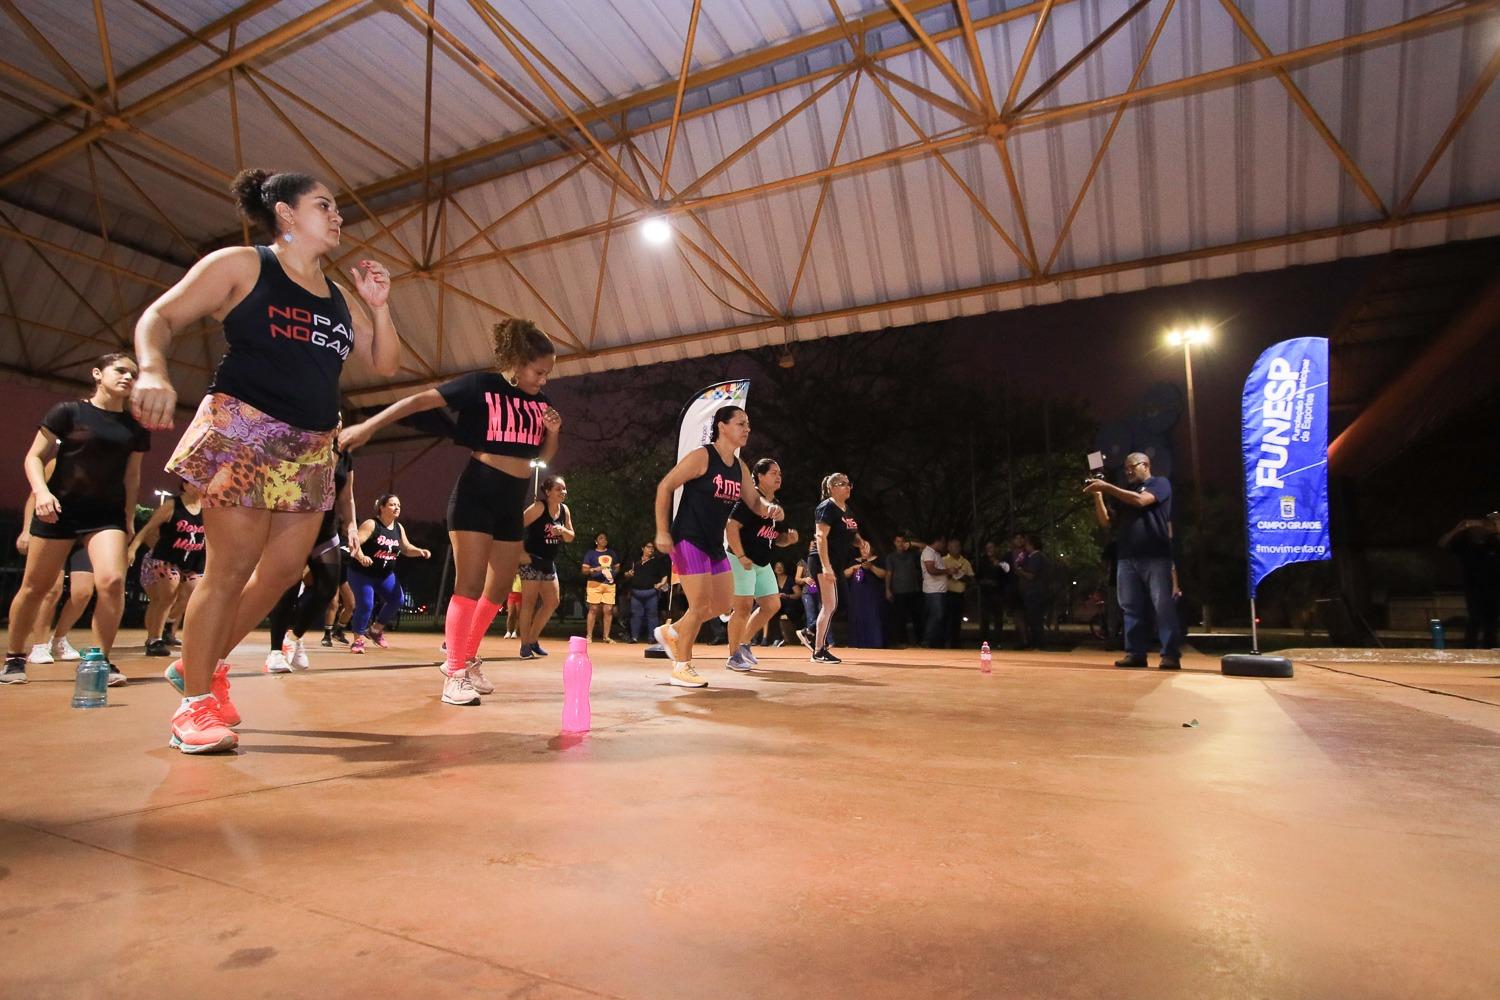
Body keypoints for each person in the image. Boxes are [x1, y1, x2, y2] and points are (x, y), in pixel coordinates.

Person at [132, 167, 400, 752]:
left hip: (309, 445)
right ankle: (194, 705)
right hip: (244, 428)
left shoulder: (336, 297)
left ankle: (199, 664)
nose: (337, 216)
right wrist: (152, 369)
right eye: (324, 206)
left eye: (337, 209)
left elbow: (384, 366)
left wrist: (379, 308)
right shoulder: (244, 265)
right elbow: (161, 316)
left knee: (280, 572)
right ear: (285, 213)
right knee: (230, 567)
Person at [340, 319, 562, 705]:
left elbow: (539, 457)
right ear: (517, 361)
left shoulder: (539, 404)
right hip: (477, 493)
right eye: (539, 371)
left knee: (497, 589)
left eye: (547, 374)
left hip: (513, 499)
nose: (543, 380)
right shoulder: (481, 385)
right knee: (470, 586)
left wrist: (554, 432)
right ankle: (455, 672)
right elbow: (419, 400)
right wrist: (370, 426)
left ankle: (467, 657)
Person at [4, 354, 149, 688]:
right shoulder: (68, 412)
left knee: (111, 582)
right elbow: (34, 457)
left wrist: (128, 519)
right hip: (59, 511)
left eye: (133, 374)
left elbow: (132, 477)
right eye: (120, 370)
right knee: (35, 587)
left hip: (106, 515)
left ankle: (101, 660)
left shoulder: (134, 428)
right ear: (97, 374)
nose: (128, 377)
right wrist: (41, 493)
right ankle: (14, 657)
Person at [653, 405, 782, 687]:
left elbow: (754, 503)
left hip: (713, 543)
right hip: (688, 538)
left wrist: (770, 509)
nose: (747, 428)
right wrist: (662, 531)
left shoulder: (740, 467)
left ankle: (672, 631)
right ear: (722, 426)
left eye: (748, 424)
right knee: (699, 605)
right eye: (741, 423)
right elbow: (665, 486)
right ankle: (682, 665)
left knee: (724, 603)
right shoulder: (703, 457)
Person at [265, 442, 357, 672]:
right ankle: (276, 651)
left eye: (339, 420)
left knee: (327, 587)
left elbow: (347, 497)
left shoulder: (345, 456)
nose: (336, 424)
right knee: (289, 587)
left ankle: (294, 637)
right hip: (292, 524)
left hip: (325, 529)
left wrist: (352, 526)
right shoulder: (301, 444)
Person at [1085, 452, 1182, 669]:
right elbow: (1105, 522)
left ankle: (1170, 655)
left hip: (1155, 555)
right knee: (1130, 607)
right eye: (1125, 468)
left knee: (1162, 606)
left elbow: (1141, 501)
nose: (1127, 471)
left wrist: (1108, 487)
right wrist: (1098, 494)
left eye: (1132, 466)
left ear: (1146, 465)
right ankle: (1135, 653)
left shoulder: (1160, 483)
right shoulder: (1125, 494)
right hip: (1127, 557)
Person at [724, 458, 800, 671]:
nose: (778, 477)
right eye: (773, 473)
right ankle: (733, 656)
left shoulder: (776, 506)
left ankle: (744, 643)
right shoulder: (749, 499)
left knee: (772, 605)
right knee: (743, 607)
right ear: (759, 475)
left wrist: (789, 540)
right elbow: (731, 527)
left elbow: (777, 538)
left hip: (762, 562)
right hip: (742, 559)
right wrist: (740, 556)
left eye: (780, 473)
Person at [127, 482, 206, 657]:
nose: (198, 486)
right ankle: (154, 640)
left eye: (201, 482)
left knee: (193, 595)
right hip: (166, 557)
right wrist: (132, 548)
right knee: (166, 595)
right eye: (192, 482)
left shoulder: (208, 507)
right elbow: (148, 528)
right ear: (184, 485)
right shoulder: (172, 505)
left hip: (192, 560)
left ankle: (167, 624)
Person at [345, 494, 429, 653]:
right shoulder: (372, 524)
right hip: (362, 573)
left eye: (398, 505)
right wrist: (361, 557)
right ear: (381, 507)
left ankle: (375, 631)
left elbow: (405, 548)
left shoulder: (398, 527)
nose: (397, 507)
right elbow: (356, 543)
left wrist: (419, 551)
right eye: (392, 504)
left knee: (397, 599)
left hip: (384, 574)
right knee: (366, 604)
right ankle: (358, 640)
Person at [518, 474, 574, 658]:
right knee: (529, 603)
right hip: (531, 559)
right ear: (548, 491)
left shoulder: (564, 510)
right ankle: (525, 644)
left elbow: (570, 537)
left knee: (552, 602)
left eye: (564, 489)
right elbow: (516, 525)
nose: (563, 492)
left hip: (548, 562)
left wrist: (563, 530)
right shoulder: (538, 507)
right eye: (558, 489)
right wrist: (520, 552)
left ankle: (533, 639)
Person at [811, 472, 864, 665]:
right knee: (830, 605)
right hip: (823, 560)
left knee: (838, 604)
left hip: (836, 562)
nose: (847, 487)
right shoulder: (827, 507)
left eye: (849, 483)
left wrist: (861, 542)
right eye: (842, 484)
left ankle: (811, 631)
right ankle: (818, 650)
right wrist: (826, 566)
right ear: (832, 488)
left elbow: (852, 533)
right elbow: (820, 537)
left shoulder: (847, 509)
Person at [1439, 513, 1500, 648]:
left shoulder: (1493, 542)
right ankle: (1469, 647)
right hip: (1473, 587)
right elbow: (1443, 543)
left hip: (1494, 587)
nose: (1479, 530)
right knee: (1475, 618)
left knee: (1492, 621)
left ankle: (1490, 648)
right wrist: (1458, 529)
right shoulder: (1465, 544)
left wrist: (1496, 528)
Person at [844, 537, 888, 648]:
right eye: (861, 547)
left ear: (872, 548)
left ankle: (875, 643)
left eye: (866, 547)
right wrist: (853, 569)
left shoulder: (878, 560)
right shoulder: (854, 560)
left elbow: (884, 574)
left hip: (872, 595)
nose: (864, 550)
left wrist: (871, 567)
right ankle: (856, 643)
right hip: (856, 596)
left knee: (873, 617)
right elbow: (844, 574)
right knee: (857, 617)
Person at [1012, 533, 1051, 650]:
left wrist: (1020, 571)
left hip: (1035, 593)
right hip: (1039, 592)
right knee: (1036, 620)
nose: (1025, 546)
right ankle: (1038, 644)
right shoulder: (1040, 557)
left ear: (1032, 545)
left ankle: (1039, 645)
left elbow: (1031, 576)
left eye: (1027, 544)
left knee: (1035, 620)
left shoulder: (1035, 557)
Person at [624, 542, 669, 642]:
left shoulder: (657, 561)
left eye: (653, 548)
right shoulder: (635, 562)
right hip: (636, 593)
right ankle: (634, 637)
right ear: (643, 548)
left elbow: (665, 576)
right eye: (648, 547)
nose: (651, 549)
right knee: (635, 615)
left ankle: (652, 638)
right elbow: (626, 574)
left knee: (652, 615)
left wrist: (661, 584)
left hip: (651, 592)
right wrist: (628, 574)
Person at [885, 532, 924, 648]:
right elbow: (888, 573)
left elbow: (926, 547)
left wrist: (912, 544)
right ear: (894, 543)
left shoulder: (912, 554)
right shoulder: (891, 557)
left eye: (902, 541)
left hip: (913, 589)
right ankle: (903, 642)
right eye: (898, 541)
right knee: (900, 618)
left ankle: (920, 641)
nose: (900, 544)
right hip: (898, 590)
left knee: (917, 617)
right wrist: (887, 589)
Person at [582, 533, 620, 643]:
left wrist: (612, 574)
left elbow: (617, 567)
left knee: (608, 610)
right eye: (601, 538)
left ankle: (606, 637)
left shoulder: (611, 553)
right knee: (593, 609)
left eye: (605, 538)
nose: (604, 540)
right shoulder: (591, 553)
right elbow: (584, 570)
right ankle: (589, 636)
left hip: (609, 584)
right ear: (596, 541)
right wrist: (594, 570)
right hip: (594, 584)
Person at [975, 541, 1012, 646]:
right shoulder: (983, 561)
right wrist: (983, 582)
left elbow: (1007, 573)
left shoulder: (1002, 561)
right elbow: (978, 576)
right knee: (985, 618)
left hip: (998, 593)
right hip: (985, 592)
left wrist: (999, 565)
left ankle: (998, 641)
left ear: (996, 549)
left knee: (998, 618)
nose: (989, 550)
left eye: (991, 547)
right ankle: (984, 641)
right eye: (987, 548)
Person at [919, 534, 950, 648]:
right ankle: (927, 640)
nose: (944, 545)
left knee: (939, 616)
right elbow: (931, 569)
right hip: (933, 591)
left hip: (940, 590)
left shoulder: (935, 553)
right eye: (943, 542)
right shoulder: (928, 552)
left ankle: (936, 641)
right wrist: (947, 571)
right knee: (936, 615)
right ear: (938, 541)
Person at [943, 537, 974, 648]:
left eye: (957, 546)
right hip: (947, 594)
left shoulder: (965, 562)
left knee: (957, 619)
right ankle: (944, 642)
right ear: (948, 547)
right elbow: (938, 577)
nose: (956, 548)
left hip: (960, 594)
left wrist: (960, 575)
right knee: (946, 619)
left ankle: (955, 643)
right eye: (953, 546)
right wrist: (950, 573)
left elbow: (971, 579)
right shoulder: (943, 561)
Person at [794, 548, 820, 650]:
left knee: (824, 613)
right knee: (811, 616)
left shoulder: (821, 559)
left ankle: (826, 641)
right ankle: (810, 640)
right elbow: (797, 579)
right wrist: (805, 579)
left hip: (821, 590)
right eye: (812, 544)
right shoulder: (803, 561)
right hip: (808, 591)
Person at [503, 574, 523, 640]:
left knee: (518, 615)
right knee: (510, 614)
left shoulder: (523, 575)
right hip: (511, 595)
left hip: (520, 595)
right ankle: (508, 631)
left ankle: (515, 632)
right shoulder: (512, 575)